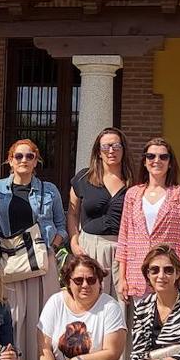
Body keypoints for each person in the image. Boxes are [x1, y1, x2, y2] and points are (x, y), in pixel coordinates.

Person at [0, 138, 65, 360]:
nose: (24, 161)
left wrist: (51, 246)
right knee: (14, 317)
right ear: (10, 160)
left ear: (36, 161)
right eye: (18, 156)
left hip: (42, 263)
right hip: (10, 262)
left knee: (43, 317)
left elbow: (61, 225)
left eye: (29, 156)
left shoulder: (49, 190)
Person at [115, 137, 180, 329]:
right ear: (144, 161)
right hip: (138, 272)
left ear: (170, 163)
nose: (156, 160)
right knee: (143, 330)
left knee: (169, 329)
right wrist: (122, 277)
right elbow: (124, 235)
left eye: (163, 157)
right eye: (151, 156)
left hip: (168, 273)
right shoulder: (133, 194)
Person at [68, 127, 133, 297]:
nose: (111, 151)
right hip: (90, 248)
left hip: (124, 251)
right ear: (98, 151)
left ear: (123, 149)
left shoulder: (134, 182)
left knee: (122, 302)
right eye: (106, 146)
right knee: (90, 300)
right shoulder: (83, 178)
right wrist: (74, 243)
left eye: (116, 146)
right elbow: (72, 213)